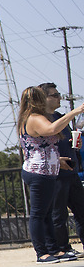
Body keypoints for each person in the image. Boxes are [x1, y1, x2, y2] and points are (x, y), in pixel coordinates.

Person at [16, 86, 84, 263]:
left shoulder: (29, 118)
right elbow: (51, 130)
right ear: (38, 100)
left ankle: (54, 250)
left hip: (46, 170)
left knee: (46, 214)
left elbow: (38, 146)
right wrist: (75, 112)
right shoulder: (34, 118)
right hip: (39, 172)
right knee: (39, 214)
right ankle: (42, 253)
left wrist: (57, 160)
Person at [38, 82, 84, 253]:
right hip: (55, 175)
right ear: (44, 98)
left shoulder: (59, 116)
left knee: (81, 212)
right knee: (59, 215)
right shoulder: (41, 120)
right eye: (55, 95)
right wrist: (76, 111)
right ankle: (63, 248)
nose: (59, 98)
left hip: (71, 172)